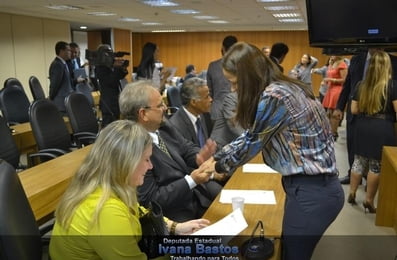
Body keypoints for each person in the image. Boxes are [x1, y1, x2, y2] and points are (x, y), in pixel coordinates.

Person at [208, 42, 344, 260]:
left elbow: (252, 141)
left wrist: (215, 167)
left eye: (235, 83)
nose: (233, 89)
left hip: (312, 192)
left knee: (292, 255)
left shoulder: (275, 95)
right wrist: (217, 156)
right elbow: (253, 133)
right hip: (313, 189)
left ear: (249, 77)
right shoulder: (285, 86)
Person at [49, 120, 210, 259]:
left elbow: (140, 211)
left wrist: (176, 227)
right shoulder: (106, 209)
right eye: (146, 159)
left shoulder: (112, 184)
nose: (150, 166)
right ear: (126, 163)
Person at [119, 80, 223, 222]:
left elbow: (186, 147)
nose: (166, 108)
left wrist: (198, 157)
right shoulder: (133, 148)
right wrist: (191, 180)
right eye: (160, 105)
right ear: (143, 114)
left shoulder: (163, 126)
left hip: (194, 198)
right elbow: (151, 200)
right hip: (173, 217)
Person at [333, 48, 397, 184]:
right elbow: (347, 85)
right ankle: (353, 176)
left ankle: (371, 180)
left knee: (375, 153)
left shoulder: (392, 61)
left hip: (381, 116)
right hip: (355, 111)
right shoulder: (356, 59)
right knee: (354, 147)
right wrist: (339, 106)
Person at [347, 51, 397, 213]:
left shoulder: (360, 85)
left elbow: (354, 109)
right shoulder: (392, 86)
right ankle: (369, 200)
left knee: (358, 161)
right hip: (382, 128)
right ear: (386, 66)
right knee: (376, 166)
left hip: (363, 126)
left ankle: (352, 192)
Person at [169, 77, 212, 148]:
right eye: (207, 97)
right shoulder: (176, 127)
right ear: (193, 102)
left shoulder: (203, 114)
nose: (211, 99)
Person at [95, 44, 128, 128]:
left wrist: (122, 68)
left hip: (114, 100)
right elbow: (110, 81)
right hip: (108, 102)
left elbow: (118, 77)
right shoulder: (100, 68)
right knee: (109, 127)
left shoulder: (109, 67)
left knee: (115, 125)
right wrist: (117, 68)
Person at [207, 35, 238, 123]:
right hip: (236, 111)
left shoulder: (213, 66)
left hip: (216, 112)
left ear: (223, 48)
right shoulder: (242, 66)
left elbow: (210, 92)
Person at [322, 55, 348, 141]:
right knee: (328, 112)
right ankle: (329, 132)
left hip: (337, 89)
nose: (331, 56)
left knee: (334, 114)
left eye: (334, 54)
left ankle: (334, 133)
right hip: (330, 89)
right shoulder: (331, 63)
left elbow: (345, 80)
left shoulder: (342, 64)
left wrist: (332, 80)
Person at [48, 41, 74, 114]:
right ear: (61, 51)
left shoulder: (63, 63)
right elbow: (55, 84)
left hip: (66, 100)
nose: (70, 53)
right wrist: (51, 98)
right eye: (68, 50)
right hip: (61, 102)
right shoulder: (57, 65)